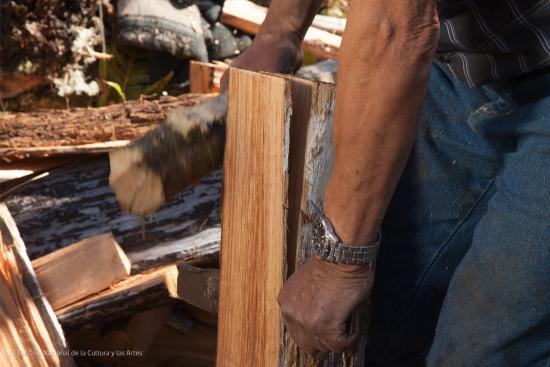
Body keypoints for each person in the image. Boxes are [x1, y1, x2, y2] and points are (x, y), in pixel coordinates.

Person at [226, 0, 550, 365]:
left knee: (487, 351)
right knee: (379, 325)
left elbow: (394, 31)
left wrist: (339, 260)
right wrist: (280, 33)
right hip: (469, 60)